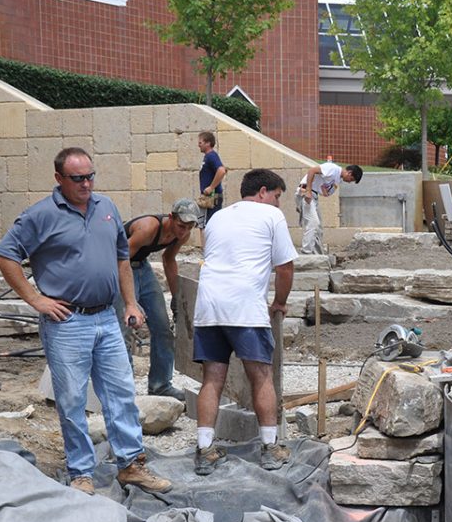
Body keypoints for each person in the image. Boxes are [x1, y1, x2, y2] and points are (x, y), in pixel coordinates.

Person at [0, 147, 172, 495]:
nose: (86, 184)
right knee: (73, 399)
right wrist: (35, 299)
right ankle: (80, 472)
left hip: (106, 317)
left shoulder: (106, 208)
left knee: (121, 393)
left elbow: (123, 257)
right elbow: (5, 254)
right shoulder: (41, 215)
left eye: (90, 176)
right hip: (67, 323)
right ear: (59, 179)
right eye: (78, 178)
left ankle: (131, 465)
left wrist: (131, 303)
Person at [192, 168, 297, 475]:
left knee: (212, 378)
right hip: (244, 305)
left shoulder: (219, 217)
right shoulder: (271, 216)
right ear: (263, 191)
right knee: (261, 376)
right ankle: (269, 447)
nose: (278, 204)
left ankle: (204, 449)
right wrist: (279, 302)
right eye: (277, 197)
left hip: (209, 305)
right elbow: (286, 267)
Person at [117, 198, 201, 402]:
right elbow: (120, 259)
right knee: (124, 329)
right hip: (121, 267)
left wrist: (176, 297)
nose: (183, 232)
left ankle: (160, 385)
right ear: (171, 217)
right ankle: (123, 390)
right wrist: (130, 300)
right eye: (181, 226)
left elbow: (169, 259)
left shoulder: (183, 233)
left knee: (163, 327)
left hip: (142, 268)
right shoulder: (148, 227)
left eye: (189, 227)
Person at [295, 160, 362, 255]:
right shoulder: (333, 169)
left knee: (318, 228)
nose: (349, 182)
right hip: (306, 192)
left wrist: (325, 190)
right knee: (313, 223)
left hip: (314, 196)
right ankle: (306, 252)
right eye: (351, 179)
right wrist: (308, 191)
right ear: (349, 173)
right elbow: (312, 171)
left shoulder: (337, 179)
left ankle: (317, 254)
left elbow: (325, 192)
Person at [197, 131, 227, 224]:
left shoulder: (211, 156)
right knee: (203, 224)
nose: (199, 145)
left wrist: (211, 187)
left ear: (208, 143)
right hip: (208, 197)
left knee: (209, 225)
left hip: (212, 197)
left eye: (200, 143)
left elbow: (221, 170)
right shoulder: (208, 157)